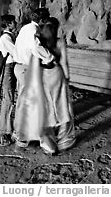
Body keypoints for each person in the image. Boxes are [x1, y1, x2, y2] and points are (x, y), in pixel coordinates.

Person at [12, 8, 56, 153]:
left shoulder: (25, 28)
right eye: (46, 20)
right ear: (42, 20)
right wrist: (50, 58)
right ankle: (43, 142)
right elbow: (37, 48)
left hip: (20, 68)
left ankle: (20, 135)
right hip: (27, 70)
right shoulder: (33, 31)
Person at [38, 18, 76, 152]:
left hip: (43, 76)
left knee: (46, 108)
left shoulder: (39, 42)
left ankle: (49, 145)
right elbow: (64, 62)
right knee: (64, 106)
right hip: (57, 75)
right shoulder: (60, 41)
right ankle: (65, 140)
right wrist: (67, 78)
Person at [0, 14, 17, 147]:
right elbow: (16, 52)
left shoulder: (9, 36)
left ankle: (6, 129)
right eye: (14, 22)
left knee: (9, 98)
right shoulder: (6, 37)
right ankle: (3, 132)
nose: (16, 23)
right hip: (8, 69)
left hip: (11, 68)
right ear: (9, 24)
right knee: (8, 99)